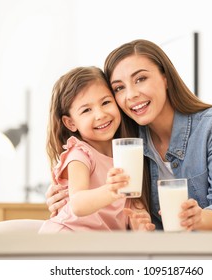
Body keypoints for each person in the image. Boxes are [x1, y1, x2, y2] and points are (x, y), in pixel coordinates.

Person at [46, 40, 212, 231]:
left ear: (165, 78)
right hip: (199, 253)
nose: (131, 94)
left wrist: (200, 218)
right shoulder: (130, 143)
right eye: (119, 88)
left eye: (141, 79)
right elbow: (98, 182)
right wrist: (62, 195)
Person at [39, 66, 154, 233]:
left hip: (101, 242)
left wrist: (140, 223)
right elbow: (78, 204)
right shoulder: (79, 154)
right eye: (86, 110)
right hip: (68, 234)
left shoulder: (126, 154)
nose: (100, 114)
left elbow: (131, 204)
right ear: (71, 123)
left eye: (106, 102)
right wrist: (111, 190)